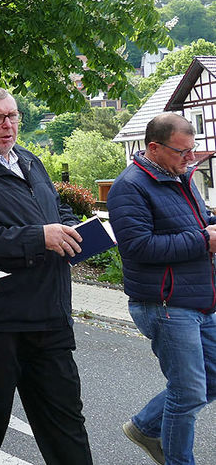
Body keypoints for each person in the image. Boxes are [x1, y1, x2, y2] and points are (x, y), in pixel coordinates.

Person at [0, 85, 93, 465]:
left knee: (66, 426)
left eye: (12, 116)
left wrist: (74, 231)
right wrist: (38, 238)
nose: (8, 124)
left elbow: (56, 210)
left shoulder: (29, 160)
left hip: (50, 318)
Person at [107, 113, 216, 465]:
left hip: (199, 301)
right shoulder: (131, 186)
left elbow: (195, 224)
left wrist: (210, 226)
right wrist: (204, 241)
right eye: (182, 152)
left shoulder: (178, 175)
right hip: (165, 304)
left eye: (192, 150)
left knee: (207, 381)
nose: (189, 159)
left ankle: (146, 426)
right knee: (187, 393)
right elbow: (139, 247)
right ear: (153, 148)